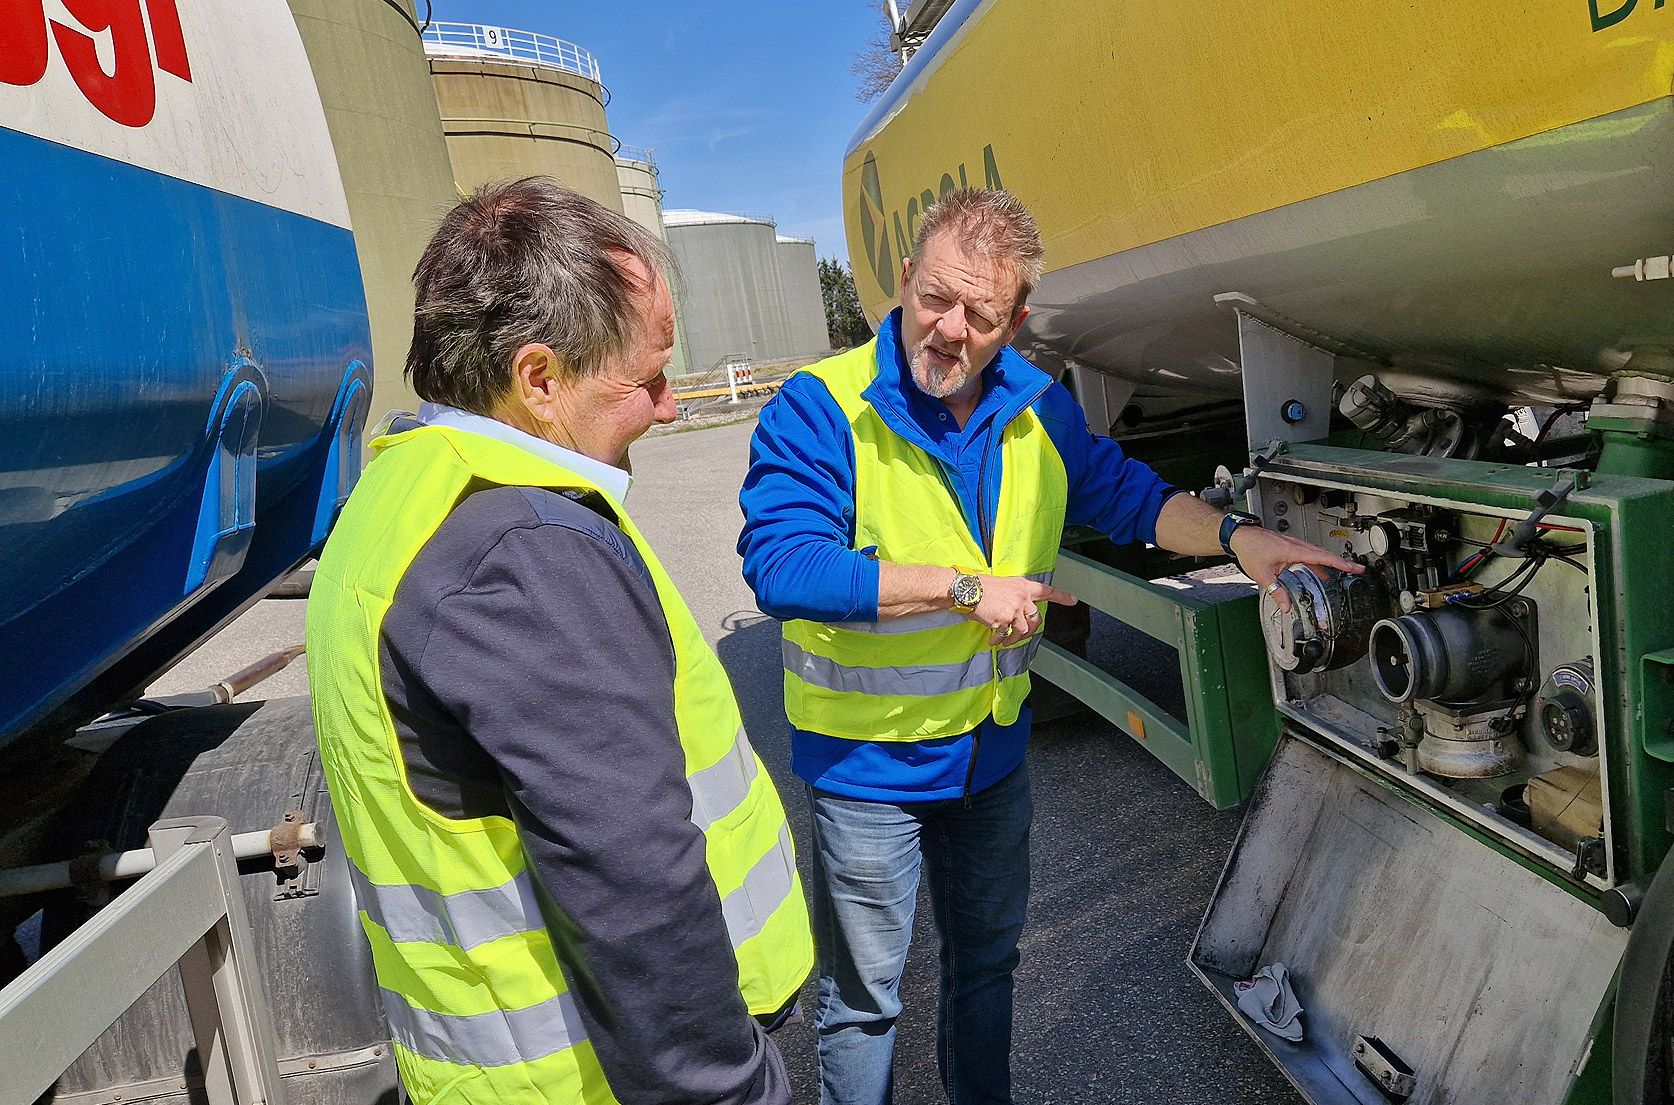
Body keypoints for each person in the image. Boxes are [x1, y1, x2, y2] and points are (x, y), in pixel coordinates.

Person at [737, 188, 1355, 1104]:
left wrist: (1240, 540)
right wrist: (959, 588)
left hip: (990, 760)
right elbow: (783, 566)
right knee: (864, 1003)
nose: (947, 330)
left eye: (979, 315)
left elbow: (1131, 497)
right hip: (868, 772)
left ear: (1014, 321)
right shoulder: (821, 407)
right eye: (934, 298)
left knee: (987, 969)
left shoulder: (1037, 411)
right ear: (905, 277)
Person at [307, 178, 813, 1105]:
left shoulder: (406, 492)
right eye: (647, 378)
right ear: (538, 379)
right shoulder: (522, 551)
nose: (666, 406)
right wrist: (733, 1090)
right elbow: (633, 884)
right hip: (604, 1077)